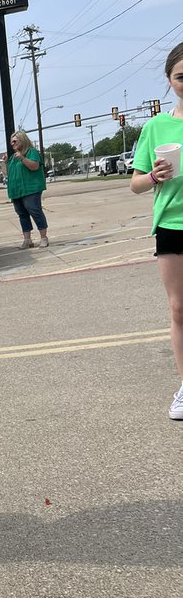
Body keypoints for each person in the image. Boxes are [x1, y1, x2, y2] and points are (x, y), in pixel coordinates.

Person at [130, 41, 183, 419]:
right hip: (171, 223)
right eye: (181, 77)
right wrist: (152, 175)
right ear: (169, 81)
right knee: (179, 309)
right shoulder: (156, 126)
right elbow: (135, 183)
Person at [3, 130, 48, 248]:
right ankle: (27, 239)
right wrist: (8, 162)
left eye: (14, 141)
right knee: (22, 214)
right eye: (11, 142)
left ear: (22, 140)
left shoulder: (31, 152)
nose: (12, 144)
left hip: (31, 189)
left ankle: (43, 237)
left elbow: (34, 166)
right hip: (17, 191)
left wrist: (22, 158)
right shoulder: (13, 157)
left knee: (34, 210)